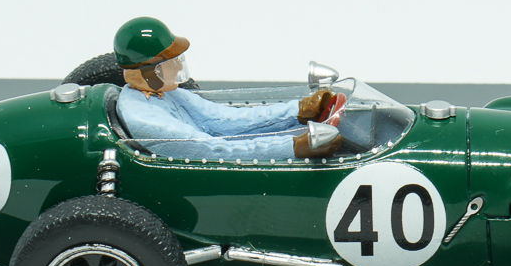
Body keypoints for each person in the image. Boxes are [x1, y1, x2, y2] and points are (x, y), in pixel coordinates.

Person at [110, 17, 341, 160]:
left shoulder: (166, 93)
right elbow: (214, 151)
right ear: (148, 71)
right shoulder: (146, 119)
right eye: (171, 62)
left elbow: (225, 120)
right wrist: (293, 148)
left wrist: (298, 111)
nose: (178, 67)